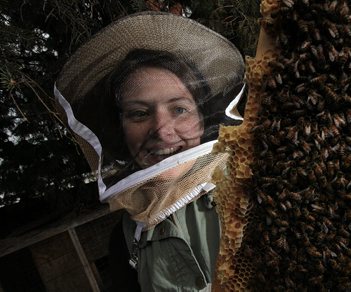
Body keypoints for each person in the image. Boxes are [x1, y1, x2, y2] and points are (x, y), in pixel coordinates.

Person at [54, 11, 245, 291]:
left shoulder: (256, 182)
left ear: (203, 118)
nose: (161, 129)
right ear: (120, 131)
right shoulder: (125, 240)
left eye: (179, 109)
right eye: (139, 114)